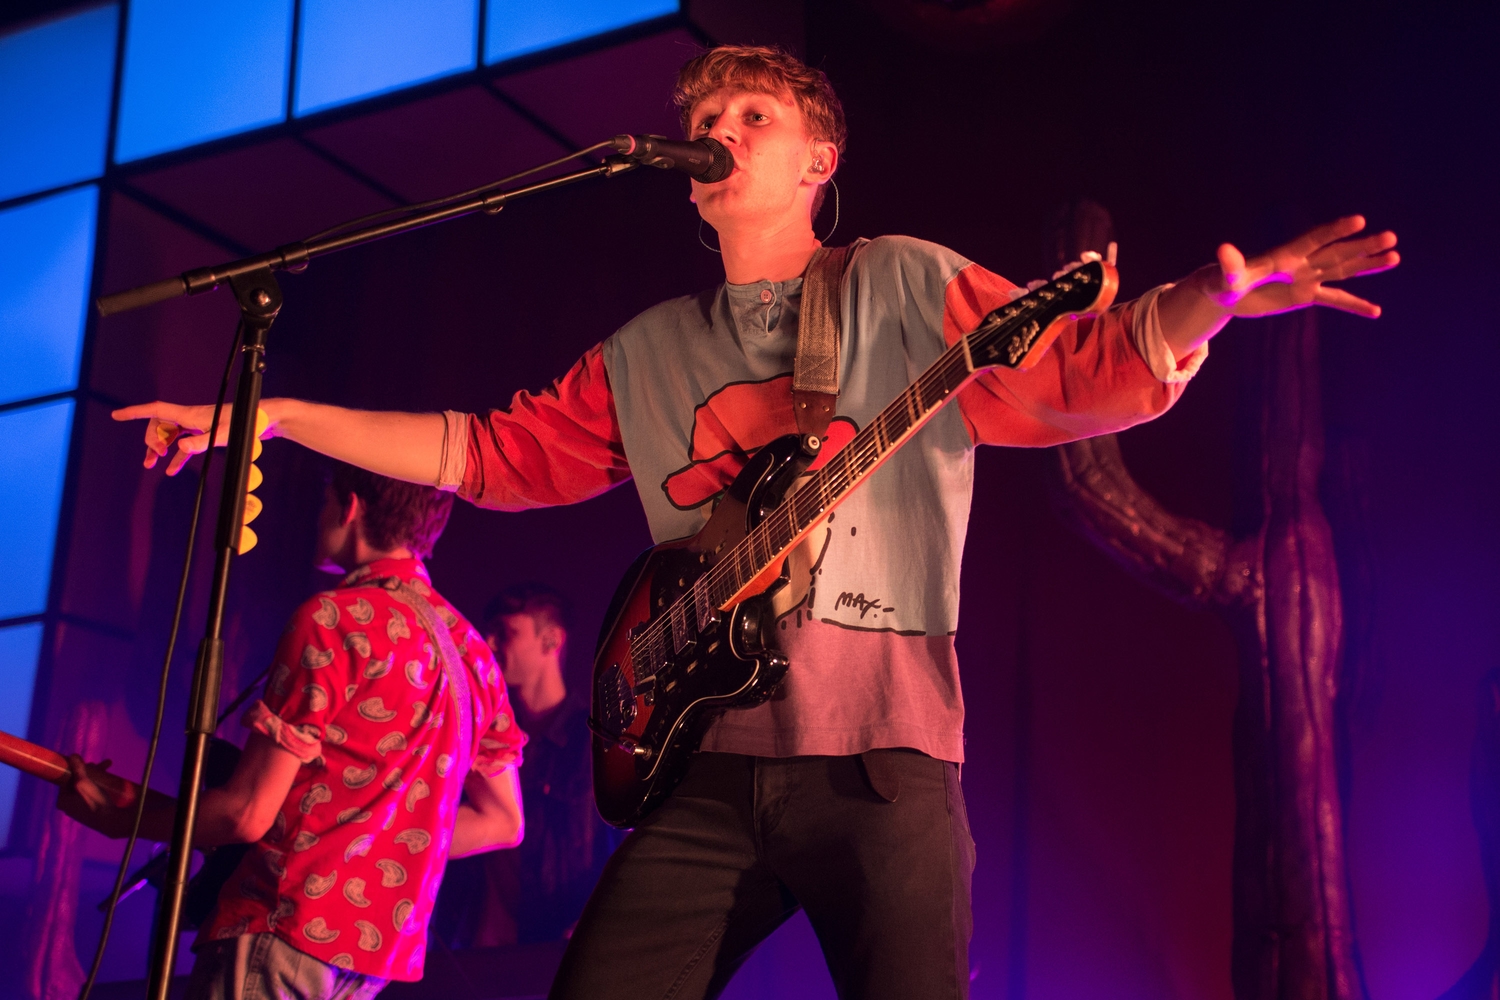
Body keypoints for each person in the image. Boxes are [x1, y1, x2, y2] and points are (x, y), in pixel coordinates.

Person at [112, 44, 1399, 1000]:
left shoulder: (896, 277)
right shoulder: (651, 349)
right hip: (701, 775)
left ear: (816, 161)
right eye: (706, 118)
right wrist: (272, 416)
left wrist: (1211, 305)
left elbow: (1073, 366)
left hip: (884, 768)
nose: (720, 129)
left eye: (753, 115)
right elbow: (481, 453)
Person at [58, 464, 527, 998]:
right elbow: (503, 820)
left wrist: (123, 820)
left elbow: (245, 813)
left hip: (285, 928)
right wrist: (377, 842)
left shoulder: (334, 618)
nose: (318, 514)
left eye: (325, 500)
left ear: (350, 507)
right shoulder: (473, 653)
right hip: (376, 958)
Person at [436, 585, 622, 947]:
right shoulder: (479, 738)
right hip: (475, 947)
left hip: (558, 945)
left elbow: (622, 850)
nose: (489, 643)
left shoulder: (595, 742)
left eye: (506, 633)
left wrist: (595, 925)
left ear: (551, 640)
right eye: (488, 632)